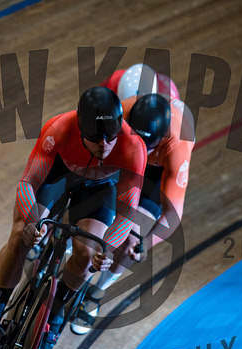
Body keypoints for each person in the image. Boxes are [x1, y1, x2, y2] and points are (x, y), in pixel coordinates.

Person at [0, 87, 147, 349]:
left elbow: (127, 212)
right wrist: (32, 221)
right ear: (80, 128)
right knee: (21, 234)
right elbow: (29, 182)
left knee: (89, 252)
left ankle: (54, 316)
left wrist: (107, 249)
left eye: (110, 136)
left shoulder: (134, 147)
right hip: (58, 175)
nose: (104, 145)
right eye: (94, 138)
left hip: (99, 188)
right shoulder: (59, 128)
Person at [71, 65, 195, 335]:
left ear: (162, 140)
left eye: (148, 146)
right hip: (123, 153)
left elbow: (173, 211)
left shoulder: (179, 142)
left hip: (154, 171)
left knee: (132, 238)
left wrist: (145, 242)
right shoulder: (121, 111)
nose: (142, 150)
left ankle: (96, 292)